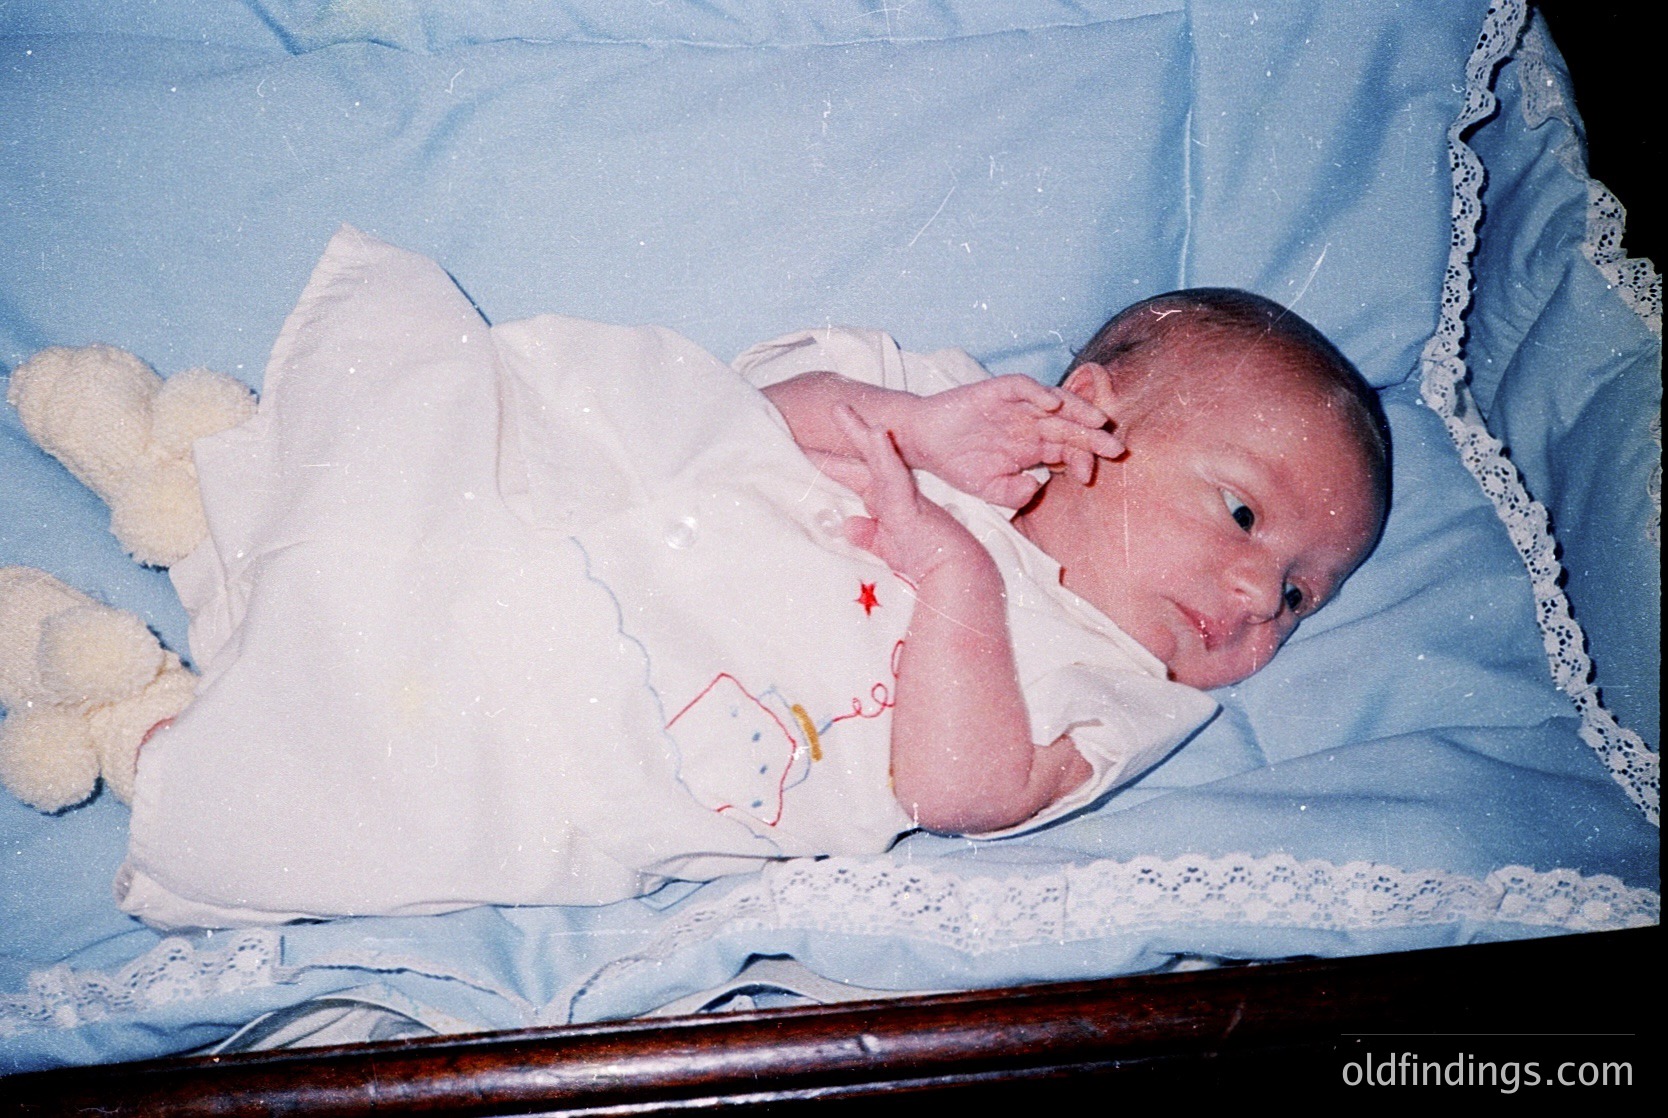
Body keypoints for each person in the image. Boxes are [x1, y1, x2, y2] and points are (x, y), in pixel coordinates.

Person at [10, 231, 1389, 925]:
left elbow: (963, 790)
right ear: (1092, 413)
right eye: (1247, 513)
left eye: (1305, 593)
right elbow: (754, 412)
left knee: (443, 762)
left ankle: (153, 724)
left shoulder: (1122, 689)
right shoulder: (955, 405)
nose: (1260, 596)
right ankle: (192, 496)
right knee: (431, 477)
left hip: (638, 738)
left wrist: (956, 574)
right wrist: (908, 431)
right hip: (604, 524)